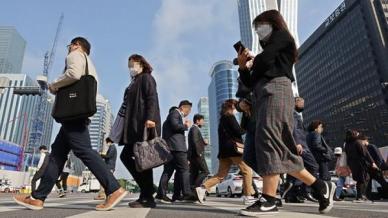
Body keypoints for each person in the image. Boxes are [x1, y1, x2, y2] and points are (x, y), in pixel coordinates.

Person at [233, 10, 336, 215]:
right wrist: (244, 67)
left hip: (276, 90)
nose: (258, 31)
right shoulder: (266, 54)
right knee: (277, 149)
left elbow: (266, 60)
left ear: (272, 23)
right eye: (256, 28)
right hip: (262, 95)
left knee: (270, 141)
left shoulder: (282, 37)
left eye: (260, 25)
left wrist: (254, 61)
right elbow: (249, 84)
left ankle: (269, 199)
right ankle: (320, 187)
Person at [13, 37, 127, 211]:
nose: (69, 49)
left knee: (83, 150)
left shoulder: (75, 54)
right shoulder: (90, 63)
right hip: (76, 114)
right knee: (57, 155)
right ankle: (37, 197)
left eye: (70, 46)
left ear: (77, 45)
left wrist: (54, 85)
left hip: (72, 114)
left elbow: (73, 74)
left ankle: (114, 189)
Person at [108, 54, 161, 208]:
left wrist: (151, 118)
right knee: (139, 160)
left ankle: (147, 196)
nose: (131, 68)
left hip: (143, 124)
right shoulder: (134, 82)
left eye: (133, 64)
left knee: (142, 159)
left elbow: (152, 98)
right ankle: (147, 194)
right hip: (133, 125)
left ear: (141, 64)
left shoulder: (146, 78)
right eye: (129, 65)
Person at [196, 99, 256, 206]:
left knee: (220, 175)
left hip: (224, 152)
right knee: (247, 170)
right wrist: (247, 124)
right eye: (235, 105)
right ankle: (248, 196)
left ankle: (202, 188)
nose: (237, 107)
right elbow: (239, 131)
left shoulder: (222, 119)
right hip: (233, 150)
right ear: (231, 106)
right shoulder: (230, 117)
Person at [158, 100, 197, 203]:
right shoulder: (175, 113)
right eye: (188, 111)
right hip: (177, 148)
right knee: (184, 169)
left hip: (170, 148)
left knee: (168, 171)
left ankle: (162, 195)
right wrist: (186, 126)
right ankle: (186, 194)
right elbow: (176, 126)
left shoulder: (170, 118)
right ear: (183, 108)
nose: (188, 113)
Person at [283, 97, 319, 203]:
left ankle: (291, 195)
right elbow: (293, 128)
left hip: (298, 144)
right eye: (302, 103)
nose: (303, 105)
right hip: (300, 146)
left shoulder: (292, 113)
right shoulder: (293, 113)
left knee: (295, 168)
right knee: (313, 166)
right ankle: (305, 190)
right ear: (295, 102)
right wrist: (297, 142)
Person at [155, 106, 182, 204]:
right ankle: (167, 195)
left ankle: (162, 194)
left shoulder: (166, 123)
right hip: (172, 150)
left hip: (167, 150)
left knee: (168, 172)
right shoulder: (171, 121)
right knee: (174, 171)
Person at [345, 132, 378, 202]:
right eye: (357, 134)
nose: (358, 135)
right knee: (365, 178)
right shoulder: (358, 142)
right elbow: (365, 153)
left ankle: (359, 196)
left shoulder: (347, 144)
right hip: (361, 164)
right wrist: (372, 162)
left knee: (359, 180)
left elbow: (347, 156)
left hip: (353, 164)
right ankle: (362, 196)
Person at [188, 114, 210, 189]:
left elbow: (196, 141)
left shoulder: (194, 129)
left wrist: (204, 143)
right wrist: (199, 153)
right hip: (197, 155)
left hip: (193, 156)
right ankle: (195, 187)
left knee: (194, 173)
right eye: (202, 121)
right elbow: (195, 141)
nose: (203, 123)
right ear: (197, 121)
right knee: (205, 171)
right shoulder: (194, 129)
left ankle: (191, 192)